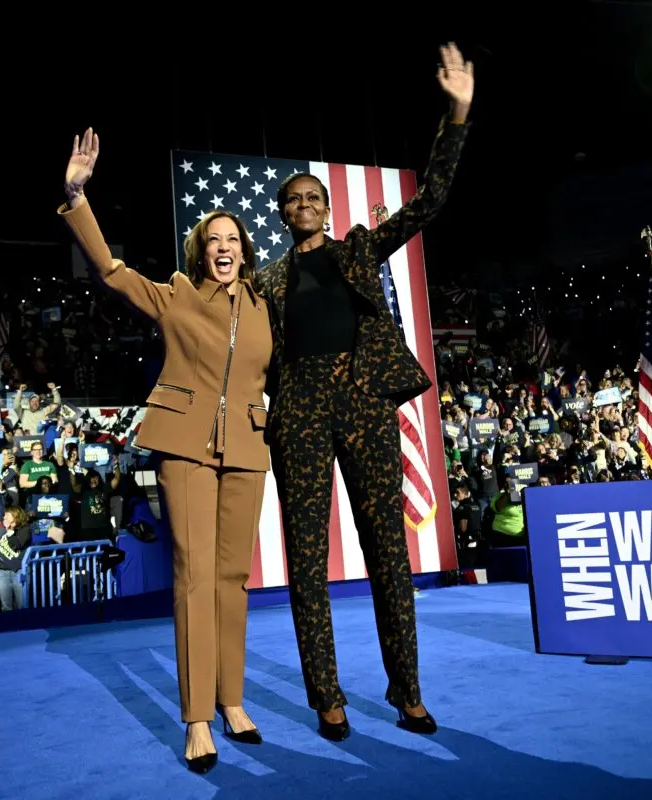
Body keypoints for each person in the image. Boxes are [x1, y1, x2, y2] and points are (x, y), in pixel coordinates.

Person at [253, 42, 474, 740]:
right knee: (308, 563)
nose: (306, 206)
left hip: (364, 400)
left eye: (313, 197)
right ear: (283, 215)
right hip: (300, 413)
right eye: (293, 201)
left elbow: (432, 201)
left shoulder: (357, 249)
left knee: (389, 554)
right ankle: (327, 697)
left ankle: (407, 691)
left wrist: (458, 113)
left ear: (325, 206)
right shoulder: (266, 281)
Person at [59, 129, 272, 774]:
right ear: (199, 252)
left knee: (233, 580)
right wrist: (76, 195)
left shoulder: (268, 306)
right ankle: (198, 718)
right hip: (183, 442)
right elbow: (111, 272)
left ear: (247, 249)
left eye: (233, 240)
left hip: (248, 446)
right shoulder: (177, 294)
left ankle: (232, 701)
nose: (223, 249)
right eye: (213, 241)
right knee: (194, 575)